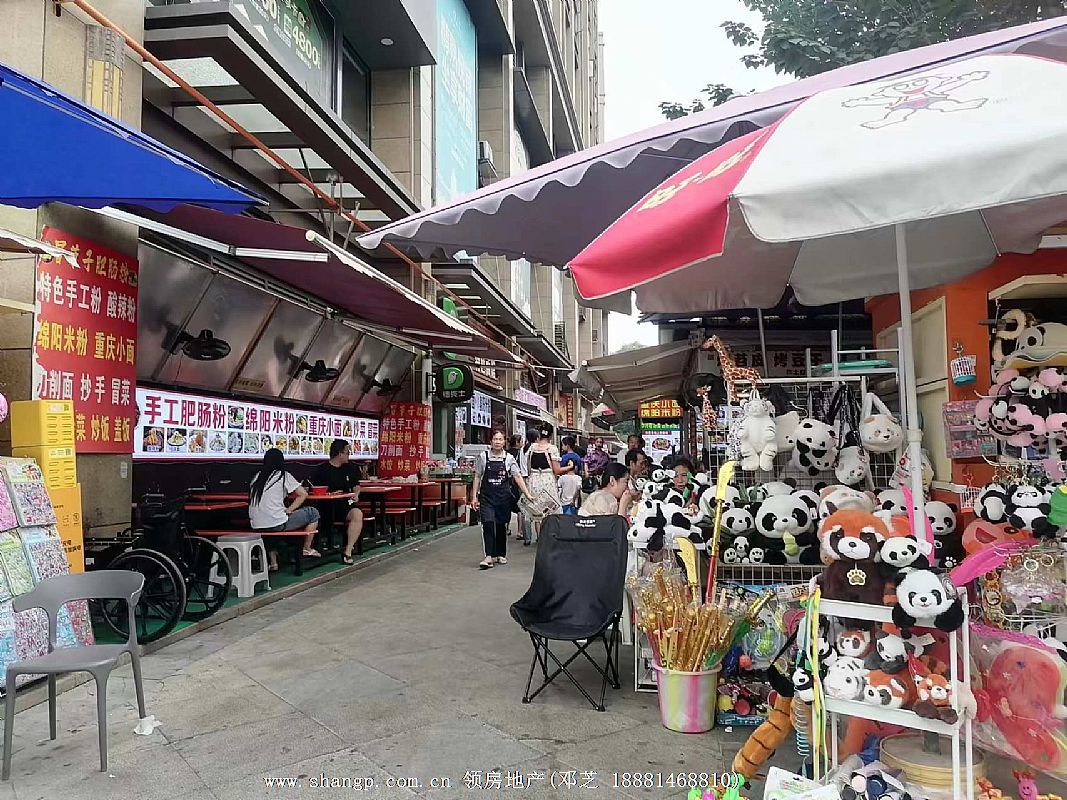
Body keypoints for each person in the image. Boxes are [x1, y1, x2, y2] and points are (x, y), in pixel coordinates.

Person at [471, 429, 533, 570]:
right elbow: (477, 476)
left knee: (500, 525)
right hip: (487, 497)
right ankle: (488, 556)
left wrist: (527, 493)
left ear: (504, 442)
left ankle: (500, 553)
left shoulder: (509, 458)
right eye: (495, 439)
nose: (497, 442)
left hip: (503, 497)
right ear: (491, 442)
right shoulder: (483, 457)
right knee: (487, 523)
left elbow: (517, 476)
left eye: (500, 439)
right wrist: (474, 497)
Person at [248, 448, 320, 570]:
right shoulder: (283, 475)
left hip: (256, 524)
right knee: (313, 513)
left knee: (268, 528)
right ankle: (307, 548)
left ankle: (273, 563)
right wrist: (289, 510)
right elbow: (303, 494)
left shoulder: (257, 477)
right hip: (276, 523)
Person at [311, 438, 363, 565]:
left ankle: (348, 551)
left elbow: (356, 486)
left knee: (357, 514)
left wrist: (356, 495)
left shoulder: (350, 468)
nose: (349, 455)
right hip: (324, 507)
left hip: (344, 506)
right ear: (339, 453)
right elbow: (313, 489)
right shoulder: (322, 470)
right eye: (347, 452)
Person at [525, 427, 563, 539]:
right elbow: (557, 470)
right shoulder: (552, 448)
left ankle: (540, 537)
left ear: (538, 435)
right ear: (551, 436)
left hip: (534, 480)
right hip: (548, 480)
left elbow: (528, 467)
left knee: (537, 511)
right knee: (550, 510)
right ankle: (550, 537)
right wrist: (570, 467)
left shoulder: (532, 448)